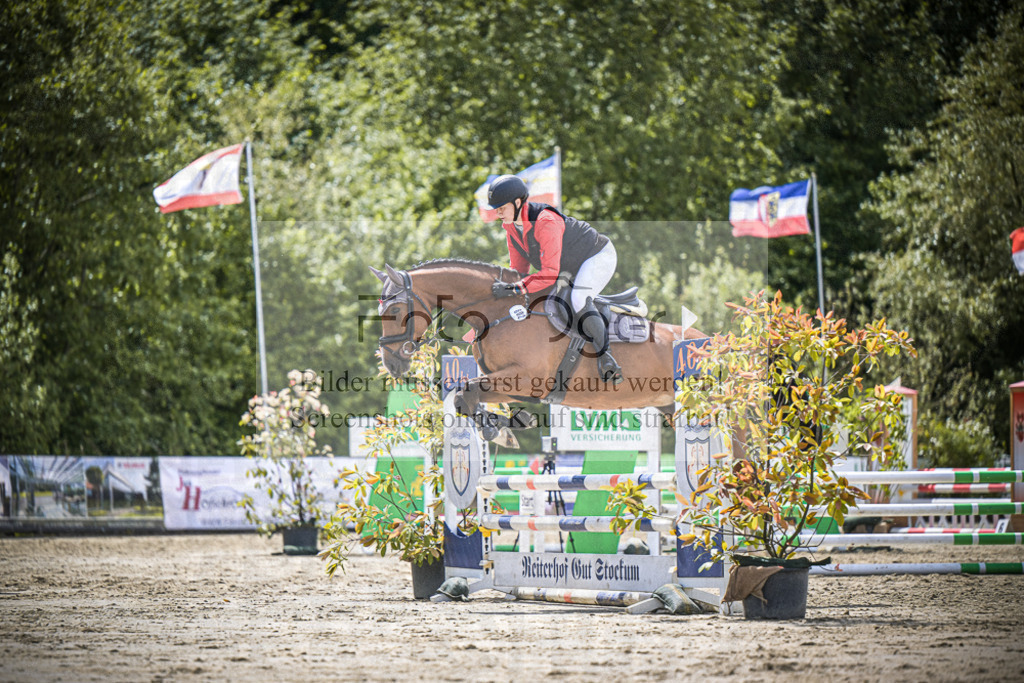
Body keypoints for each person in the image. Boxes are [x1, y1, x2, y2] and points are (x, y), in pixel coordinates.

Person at [487, 174, 622, 385]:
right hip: (568, 267)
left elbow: (549, 273)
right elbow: (519, 271)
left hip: (597, 256)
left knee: (578, 299)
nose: (498, 213)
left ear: (517, 202)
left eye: (502, 208)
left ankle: (607, 358)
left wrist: (516, 288)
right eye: (496, 209)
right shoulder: (511, 227)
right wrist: (507, 289)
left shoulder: (545, 221)